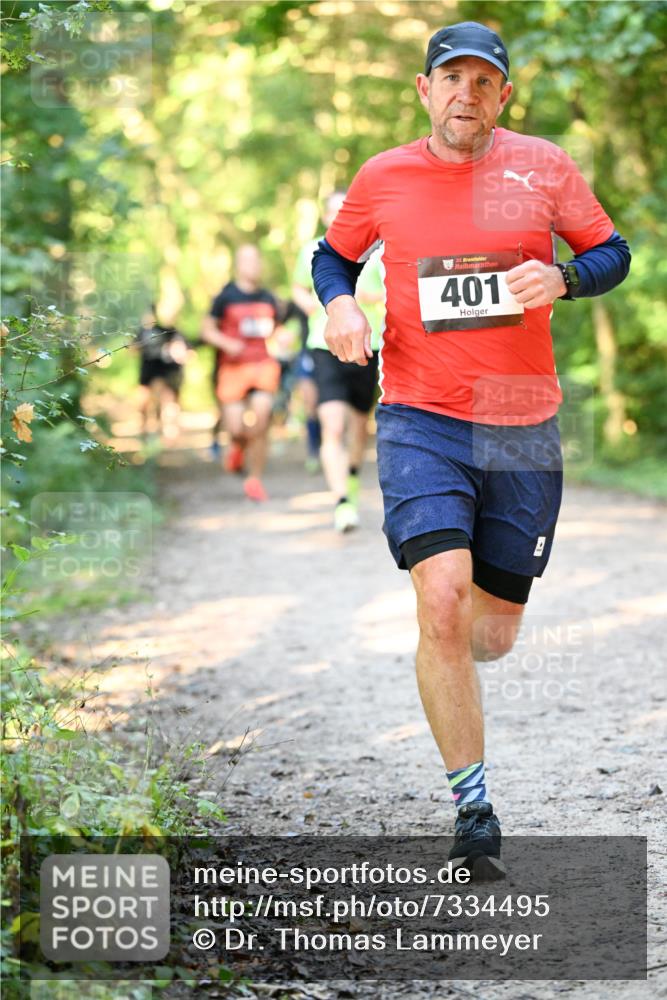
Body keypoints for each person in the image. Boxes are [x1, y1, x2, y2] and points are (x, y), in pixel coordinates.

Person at [312, 21, 630, 876]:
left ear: (502, 96)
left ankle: (454, 662)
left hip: (522, 426)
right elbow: (332, 258)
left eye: (482, 81)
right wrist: (339, 307)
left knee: (489, 636)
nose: (466, 94)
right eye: (450, 78)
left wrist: (564, 275)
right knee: (442, 600)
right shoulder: (384, 176)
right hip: (421, 416)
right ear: (424, 90)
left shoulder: (543, 167)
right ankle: (473, 807)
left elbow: (611, 251)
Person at [293, 192, 385, 532]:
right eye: (332, 210)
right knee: (331, 424)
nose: (337, 215)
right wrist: (321, 306)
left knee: (359, 427)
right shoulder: (313, 250)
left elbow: (393, 293)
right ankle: (341, 501)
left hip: (368, 344)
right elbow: (299, 288)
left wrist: (360, 300)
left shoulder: (378, 250)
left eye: (343, 209)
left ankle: (352, 479)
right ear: (325, 216)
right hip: (324, 344)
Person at [202, 244, 281, 502]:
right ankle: (237, 447)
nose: (254, 265)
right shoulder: (225, 296)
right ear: (238, 265)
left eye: (257, 260)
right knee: (236, 428)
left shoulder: (269, 298)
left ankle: (254, 479)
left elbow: (276, 331)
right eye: (248, 261)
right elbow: (207, 330)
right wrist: (227, 343)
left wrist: (283, 337)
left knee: (261, 418)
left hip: (262, 366)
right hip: (233, 368)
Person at [135, 304, 188, 441]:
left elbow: (186, 352)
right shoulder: (143, 332)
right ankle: (148, 432)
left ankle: (167, 434)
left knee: (167, 402)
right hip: (148, 371)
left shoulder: (173, 331)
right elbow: (132, 349)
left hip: (167, 371)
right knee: (146, 403)